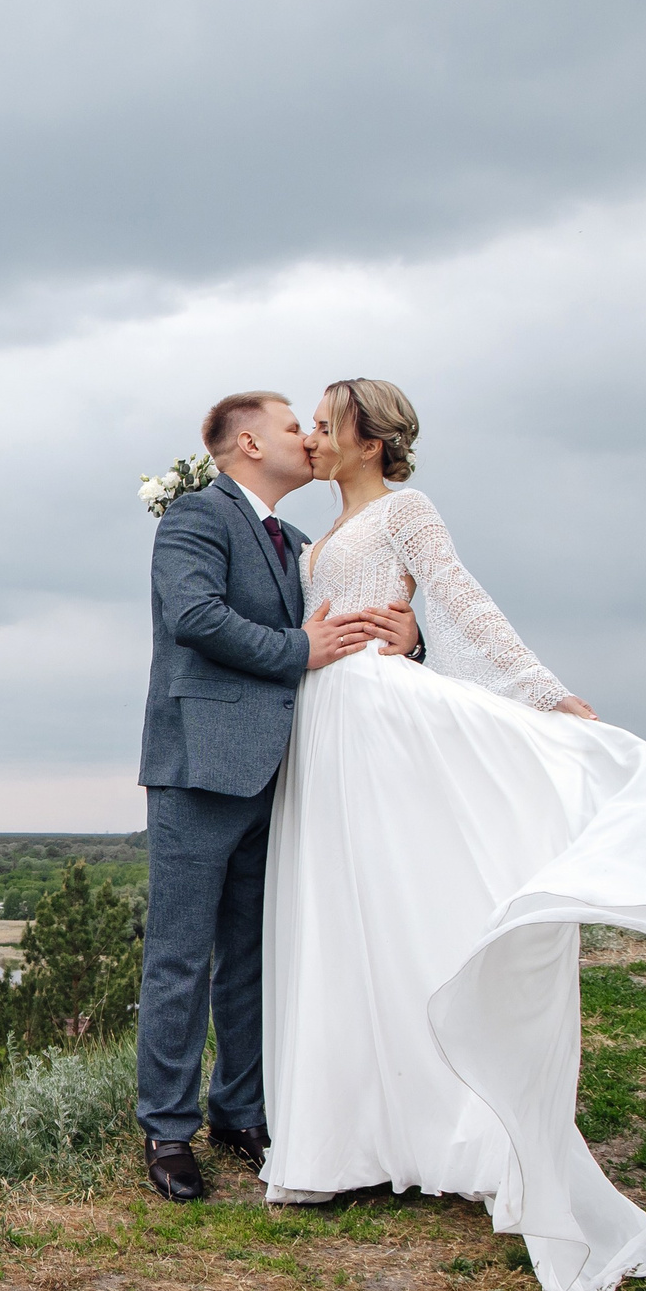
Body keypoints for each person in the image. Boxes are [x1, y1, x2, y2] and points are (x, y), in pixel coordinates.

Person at [259, 378, 646, 1291]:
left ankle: (465, 1128)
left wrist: (542, 693)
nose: (312, 432)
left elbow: (463, 598)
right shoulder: (316, 539)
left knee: (408, 900)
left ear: (368, 438)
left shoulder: (408, 510)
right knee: (348, 920)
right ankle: (349, 1140)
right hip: (329, 722)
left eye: (326, 419)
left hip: (379, 716)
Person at [135, 391, 417, 1203]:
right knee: (182, 956)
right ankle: (166, 1126)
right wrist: (300, 647)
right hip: (199, 765)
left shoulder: (298, 541)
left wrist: (410, 637)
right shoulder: (195, 517)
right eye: (295, 425)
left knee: (258, 954)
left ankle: (241, 1109)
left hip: (284, 774)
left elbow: (349, 627)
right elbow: (194, 616)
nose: (309, 436)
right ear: (250, 443)